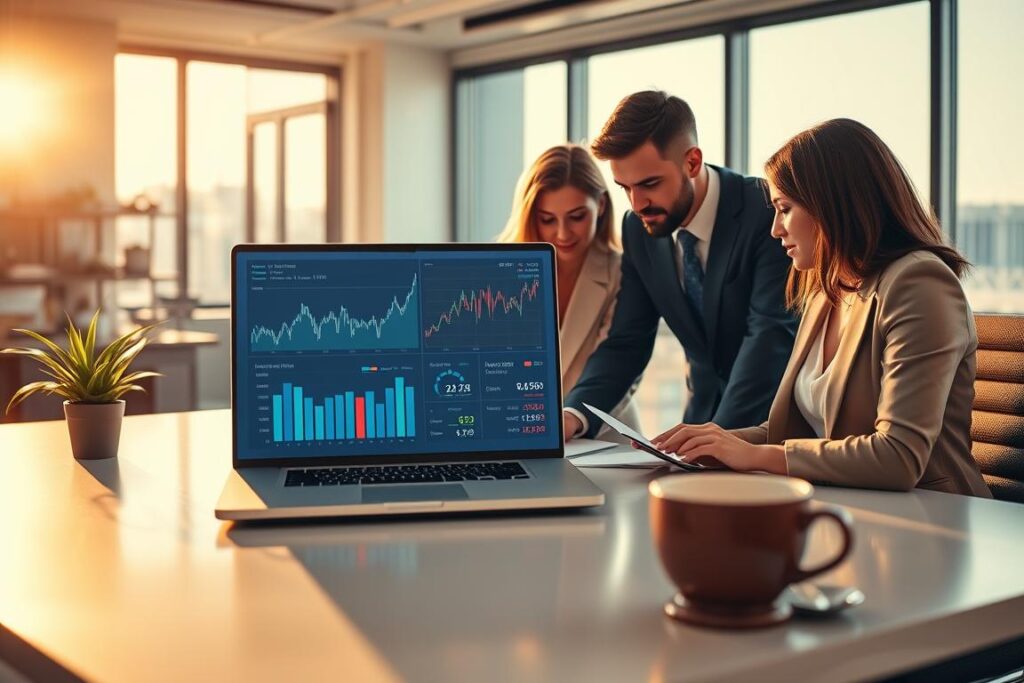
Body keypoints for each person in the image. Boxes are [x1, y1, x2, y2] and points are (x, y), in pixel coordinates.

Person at [651, 118, 992, 497]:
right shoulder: (824, 293)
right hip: (851, 507)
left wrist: (753, 456)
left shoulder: (919, 283)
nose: (775, 229)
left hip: (934, 519)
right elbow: (796, 434)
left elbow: (898, 457)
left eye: (785, 208)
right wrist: (715, 444)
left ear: (832, 205)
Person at [563, 91, 797, 440]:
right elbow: (627, 341)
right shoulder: (638, 230)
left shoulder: (764, 210)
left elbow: (769, 336)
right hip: (700, 424)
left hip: (772, 433)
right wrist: (573, 414)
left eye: (649, 184)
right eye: (624, 187)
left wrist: (718, 441)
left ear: (692, 162)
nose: (637, 203)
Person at [498, 144, 642, 433]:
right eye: (547, 219)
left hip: (601, 436)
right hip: (517, 430)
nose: (562, 233)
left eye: (577, 217)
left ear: (600, 205)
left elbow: (621, 364)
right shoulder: (499, 273)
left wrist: (571, 420)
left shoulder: (622, 271)